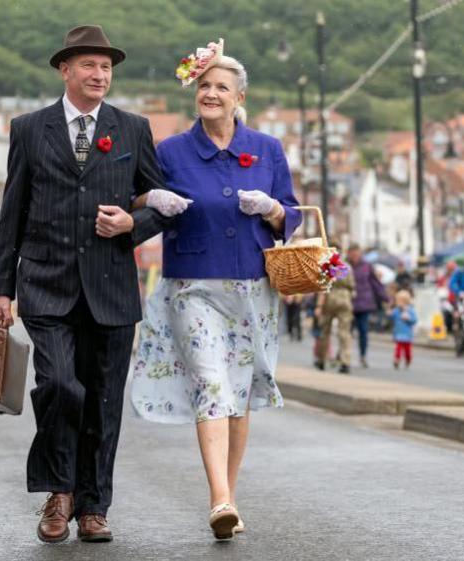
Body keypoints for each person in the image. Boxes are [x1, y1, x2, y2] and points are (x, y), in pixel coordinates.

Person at [0, 26, 172, 544]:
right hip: (46, 284)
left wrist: (133, 225)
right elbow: (13, 211)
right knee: (60, 385)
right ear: (64, 69)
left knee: (104, 402)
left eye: (107, 67)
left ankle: (94, 506)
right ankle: (58, 491)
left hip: (112, 288)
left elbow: (163, 201)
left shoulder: (133, 129)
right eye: (89, 65)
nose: (100, 75)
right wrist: (2, 288)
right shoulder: (29, 129)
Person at [128, 40, 302, 541]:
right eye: (204, 85)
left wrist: (270, 208)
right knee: (212, 384)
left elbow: (290, 216)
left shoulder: (267, 149)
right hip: (192, 287)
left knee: (239, 394)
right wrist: (150, 195)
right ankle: (219, 500)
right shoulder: (172, 151)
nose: (211, 93)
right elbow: (138, 200)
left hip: (253, 290)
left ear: (239, 96)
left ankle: (232, 490)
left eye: (221, 86)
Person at [348, 244, 389, 368]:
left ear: (360, 253)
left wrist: (386, 298)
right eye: (353, 253)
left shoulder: (367, 266)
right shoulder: (345, 265)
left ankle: (362, 356)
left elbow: (375, 283)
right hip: (349, 303)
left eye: (357, 253)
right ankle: (343, 355)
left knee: (363, 331)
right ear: (349, 253)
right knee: (346, 331)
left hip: (364, 303)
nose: (355, 255)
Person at [314, 261, 355, 373]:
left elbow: (322, 286)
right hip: (344, 299)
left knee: (325, 330)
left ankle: (321, 359)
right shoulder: (347, 266)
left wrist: (319, 306)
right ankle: (345, 362)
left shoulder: (326, 265)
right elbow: (352, 286)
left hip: (329, 298)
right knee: (344, 332)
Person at [391, 289, 417, 369]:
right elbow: (392, 317)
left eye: (402, 301)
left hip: (407, 334)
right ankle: (397, 359)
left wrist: (408, 318)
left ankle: (408, 359)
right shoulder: (396, 310)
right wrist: (390, 313)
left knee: (407, 350)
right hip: (398, 333)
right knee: (398, 348)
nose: (400, 304)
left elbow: (414, 320)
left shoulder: (410, 310)